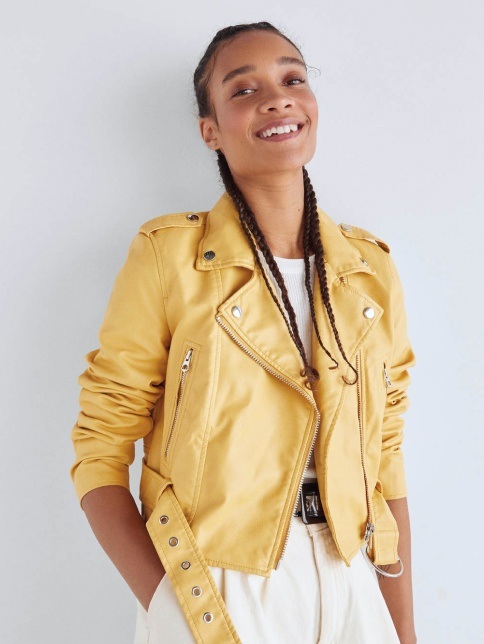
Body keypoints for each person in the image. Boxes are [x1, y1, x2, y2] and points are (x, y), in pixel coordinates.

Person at [70, 21, 417, 644]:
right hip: (220, 581)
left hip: (354, 573)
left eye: (293, 79)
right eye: (243, 89)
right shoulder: (169, 256)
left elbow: (385, 460)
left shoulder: (368, 269)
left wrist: (403, 628)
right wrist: (171, 608)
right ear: (210, 130)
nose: (277, 99)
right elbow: (100, 449)